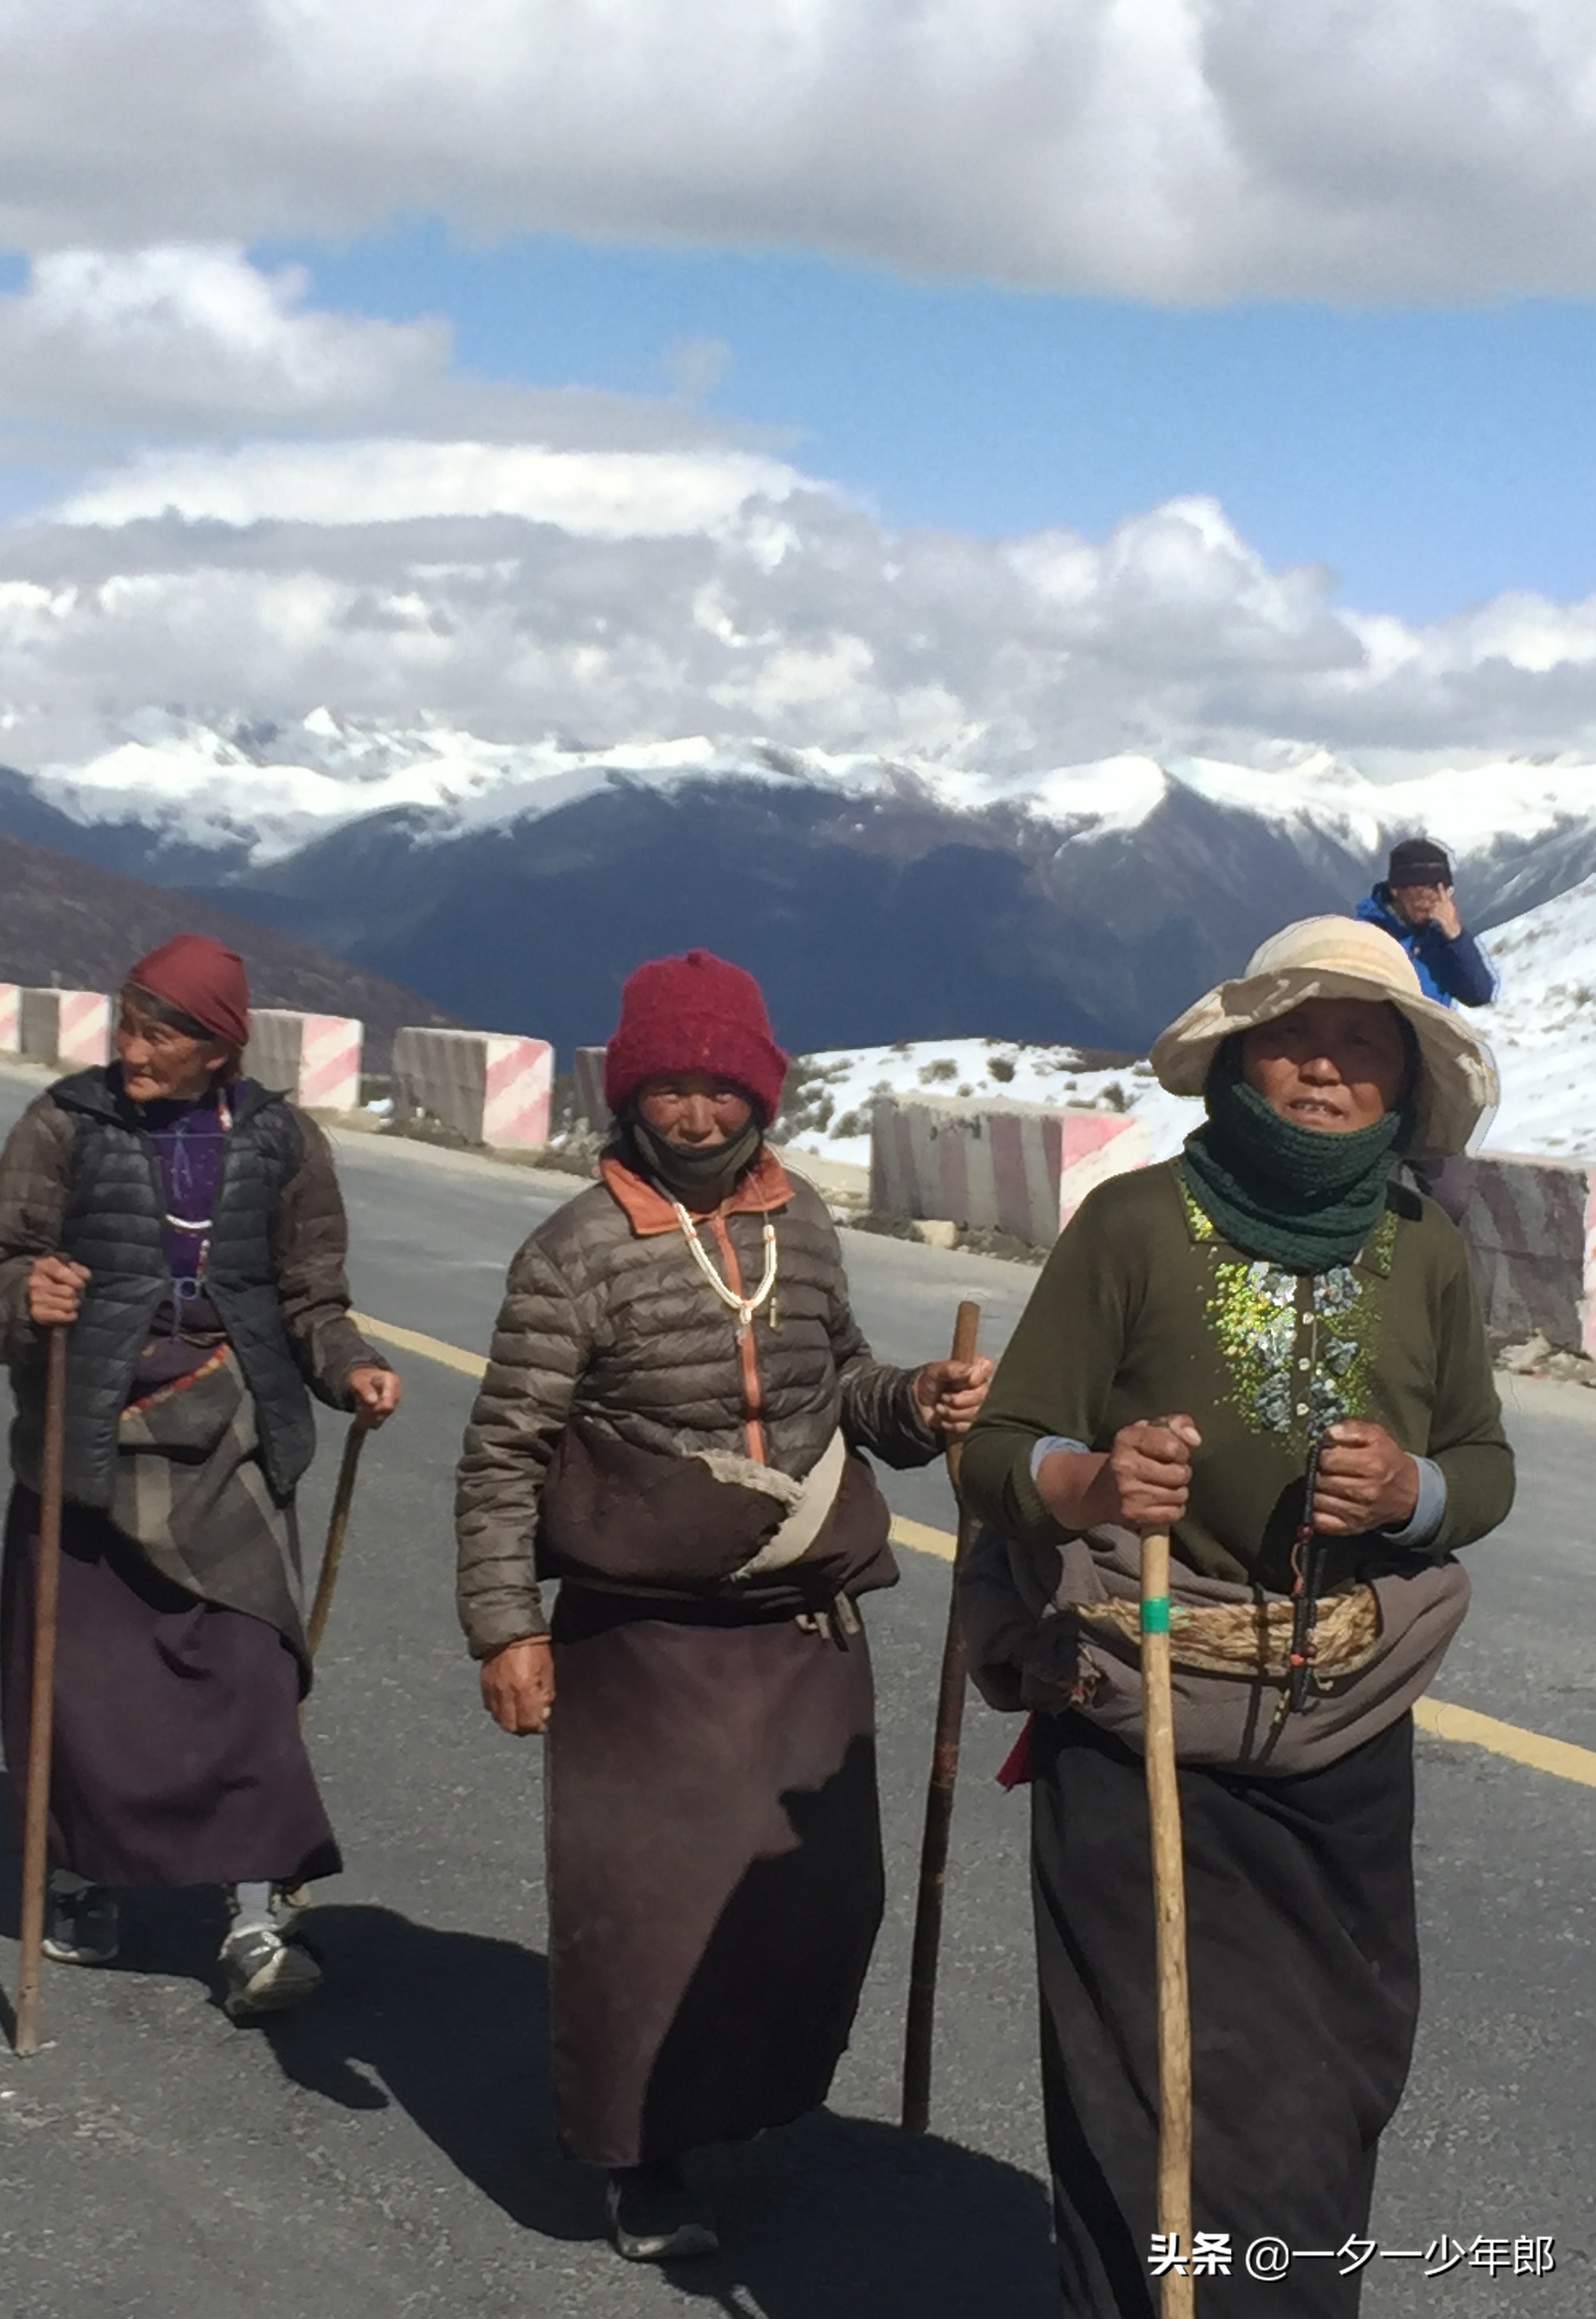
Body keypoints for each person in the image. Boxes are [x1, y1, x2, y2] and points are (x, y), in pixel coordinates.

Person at [957, 916, 1513, 2319]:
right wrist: (1084, 1477)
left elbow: (1488, 1474)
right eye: (1294, 1041)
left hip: (1345, 1738)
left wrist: (1412, 1489)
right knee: (1150, 2099)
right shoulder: (1136, 1225)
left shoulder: (1425, 1249)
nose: (1324, 1072)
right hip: (1140, 1724)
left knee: (1331, 2087)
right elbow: (995, 1449)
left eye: (1362, 1046)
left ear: (1403, 1084)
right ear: (1240, 1061)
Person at [454, 948, 992, 2264]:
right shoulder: (572, 1249)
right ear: (628, 1092)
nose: (693, 1114)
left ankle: (745, 2099)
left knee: (812, 1898)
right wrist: (507, 1624)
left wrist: (916, 1403)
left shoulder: (799, 1221)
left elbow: (842, 1387)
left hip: (802, 1633)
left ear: (762, 1091)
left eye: (717, 1086)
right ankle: (640, 2153)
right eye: (668, 1087)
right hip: (642, 1644)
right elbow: (504, 1448)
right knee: (647, 1916)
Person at [0, 935, 400, 2020]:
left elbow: (311, 1294)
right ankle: (73, 1880)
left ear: (219, 1048)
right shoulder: (63, 1124)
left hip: (232, 1436)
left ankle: (255, 1921)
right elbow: (3, 1260)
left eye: (159, 1033)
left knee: (252, 1679)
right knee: (87, 1696)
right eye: (126, 1023)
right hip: (91, 1442)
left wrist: (349, 1367)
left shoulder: (281, 1141)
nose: (131, 1050)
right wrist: (33, 1295)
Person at [1356, 836, 1496, 1006]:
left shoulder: (1441, 944)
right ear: (1396, 889)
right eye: (1422, 889)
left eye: (1441, 889)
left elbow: (1479, 994)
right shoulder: (1364, 937)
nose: (1431, 899)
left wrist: (1456, 936)